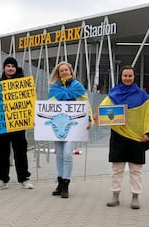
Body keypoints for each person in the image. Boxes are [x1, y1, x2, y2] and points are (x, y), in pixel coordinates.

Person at [95, 65, 149, 209]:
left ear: (134, 77)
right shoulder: (113, 94)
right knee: (117, 169)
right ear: (121, 77)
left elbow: (148, 115)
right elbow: (103, 110)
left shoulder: (142, 95)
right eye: (125, 76)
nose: (127, 78)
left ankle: (135, 196)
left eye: (130, 76)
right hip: (118, 136)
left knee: (136, 170)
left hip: (137, 137)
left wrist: (147, 133)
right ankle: (115, 195)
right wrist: (97, 116)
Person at [47, 62, 92, 198]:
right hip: (58, 125)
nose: (64, 72)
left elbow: (85, 104)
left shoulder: (78, 87)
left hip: (72, 126)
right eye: (61, 71)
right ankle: (60, 183)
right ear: (58, 73)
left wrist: (89, 118)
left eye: (66, 70)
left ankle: (66, 184)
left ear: (70, 71)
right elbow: (48, 105)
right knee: (59, 154)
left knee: (67, 153)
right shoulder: (55, 88)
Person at [0, 57, 34, 190]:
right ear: (4, 68)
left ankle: (24, 179)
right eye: (8, 66)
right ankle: (1, 179)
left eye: (13, 66)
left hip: (18, 124)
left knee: (20, 153)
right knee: (1, 154)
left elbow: (29, 102)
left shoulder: (23, 83)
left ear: (16, 68)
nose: (10, 68)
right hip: (1, 124)